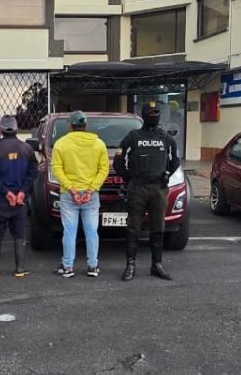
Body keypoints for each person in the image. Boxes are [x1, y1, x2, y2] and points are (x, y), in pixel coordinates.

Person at [115, 103, 180, 281]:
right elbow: (118, 161)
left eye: (156, 113)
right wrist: (129, 178)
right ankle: (130, 265)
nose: (154, 116)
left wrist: (167, 175)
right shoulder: (133, 136)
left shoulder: (165, 138)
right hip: (138, 188)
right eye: (150, 113)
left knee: (158, 227)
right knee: (133, 227)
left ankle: (156, 265)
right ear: (144, 115)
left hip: (158, 188)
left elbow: (175, 160)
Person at [50, 110, 108, 278]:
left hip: (69, 194)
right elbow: (103, 169)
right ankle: (92, 266)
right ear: (86, 126)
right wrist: (90, 190)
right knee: (91, 231)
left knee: (69, 231)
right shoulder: (99, 144)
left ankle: (68, 267)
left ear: (70, 126)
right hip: (91, 195)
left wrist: (72, 189)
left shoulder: (61, 144)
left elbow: (57, 169)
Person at [0, 115, 38, 278]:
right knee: (19, 234)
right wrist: (21, 192)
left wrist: (6, 192)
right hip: (20, 200)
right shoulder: (27, 149)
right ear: (16, 129)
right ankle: (20, 269)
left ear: (1, 130)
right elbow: (32, 172)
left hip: (0, 199)